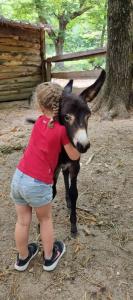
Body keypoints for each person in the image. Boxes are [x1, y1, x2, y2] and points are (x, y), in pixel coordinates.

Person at [10, 82, 80, 272]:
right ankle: (49, 257)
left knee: (22, 221)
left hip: (18, 178)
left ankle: (22, 258)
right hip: (37, 184)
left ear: (41, 107)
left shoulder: (40, 120)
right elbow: (73, 156)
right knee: (45, 220)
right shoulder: (61, 130)